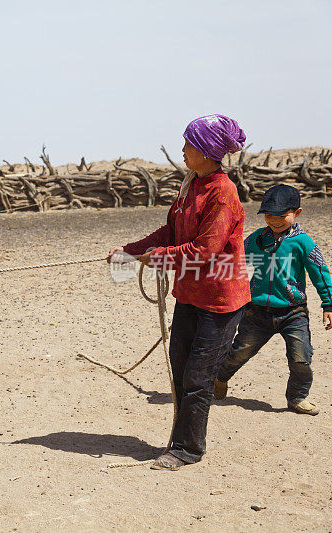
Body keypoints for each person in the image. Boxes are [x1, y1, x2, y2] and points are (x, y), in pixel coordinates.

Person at [107, 114, 250, 470]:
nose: (183, 149)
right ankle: (182, 439)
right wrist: (131, 250)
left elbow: (205, 250)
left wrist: (155, 257)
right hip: (189, 294)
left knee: (198, 377)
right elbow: (170, 231)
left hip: (219, 300)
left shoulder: (222, 193)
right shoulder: (191, 186)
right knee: (181, 368)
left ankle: (188, 449)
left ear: (205, 150)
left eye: (188, 144)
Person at [214, 184, 332, 415]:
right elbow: (233, 259)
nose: (275, 221)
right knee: (239, 352)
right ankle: (219, 378)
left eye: (281, 216)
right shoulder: (256, 238)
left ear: (296, 213)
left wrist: (328, 304)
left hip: (293, 312)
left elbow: (320, 272)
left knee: (301, 357)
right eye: (269, 215)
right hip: (256, 311)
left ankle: (297, 397)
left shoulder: (303, 242)